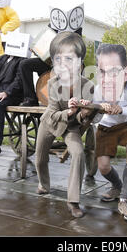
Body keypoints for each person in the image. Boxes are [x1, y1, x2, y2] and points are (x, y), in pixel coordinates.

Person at [34, 31, 96, 218]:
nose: (63, 64)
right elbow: (52, 112)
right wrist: (69, 111)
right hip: (51, 122)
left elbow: (84, 119)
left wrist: (84, 113)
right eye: (58, 59)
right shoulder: (52, 84)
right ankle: (44, 185)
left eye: (69, 58)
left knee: (77, 153)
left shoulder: (88, 86)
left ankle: (73, 201)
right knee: (40, 159)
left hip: (71, 127)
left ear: (80, 62)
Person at [91, 43, 127, 221]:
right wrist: (95, 109)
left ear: (126, 71)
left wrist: (121, 110)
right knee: (103, 167)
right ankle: (117, 186)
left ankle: (125, 200)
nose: (107, 78)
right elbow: (95, 120)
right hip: (107, 126)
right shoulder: (98, 89)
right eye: (102, 71)